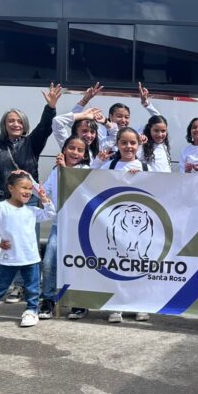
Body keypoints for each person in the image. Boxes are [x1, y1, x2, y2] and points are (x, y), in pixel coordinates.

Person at [0, 83, 62, 304]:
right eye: (11, 120)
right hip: (4, 198)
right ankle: (17, 285)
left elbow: (45, 127)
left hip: (27, 200)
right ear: (4, 124)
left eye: (19, 121)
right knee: (10, 243)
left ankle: (25, 286)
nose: (15, 124)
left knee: (27, 243)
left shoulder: (32, 143)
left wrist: (50, 107)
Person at [0, 171, 56, 330]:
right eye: (23, 187)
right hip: (9, 259)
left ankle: (31, 310)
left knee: (33, 289)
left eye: (30, 189)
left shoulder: (31, 211)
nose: (27, 191)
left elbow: (50, 214)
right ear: (11, 188)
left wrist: (44, 198)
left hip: (31, 259)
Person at [91, 127, 150, 323]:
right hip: (114, 226)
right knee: (116, 266)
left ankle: (139, 304)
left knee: (137, 267)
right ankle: (115, 306)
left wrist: (141, 178)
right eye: (124, 142)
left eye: (132, 143)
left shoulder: (146, 167)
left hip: (138, 231)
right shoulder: (109, 165)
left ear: (139, 145)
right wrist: (99, 160)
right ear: (117, 144)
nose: (128, 146)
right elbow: (87, 179)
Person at [38, 136, 89, 319]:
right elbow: (47, 192)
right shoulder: (55, 171)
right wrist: (31, 184)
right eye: (71, 148)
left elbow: (76, 188)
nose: (75, 152)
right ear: (64, 149)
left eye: (79, 150)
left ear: (84, 154)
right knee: (49, 262)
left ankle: (78, 301)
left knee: (77, 264)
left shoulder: (86, 170)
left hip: (79, 228)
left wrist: (65, 170)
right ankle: (48, 300)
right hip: (58, 226)